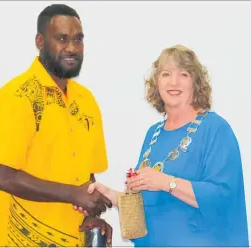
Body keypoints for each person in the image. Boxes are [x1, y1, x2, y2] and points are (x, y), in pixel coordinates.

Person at [81, 45, 249, 246]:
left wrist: (166, 182)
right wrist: (112, 196)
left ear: (196, 83)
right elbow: (144, 206)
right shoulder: (153, 134)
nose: (174, 82)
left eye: (183, 74)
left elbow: (224, 198)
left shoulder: (215, 129)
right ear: (156, 82)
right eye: (166, 74)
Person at [0, 4, 113, 247]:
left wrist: (91, 216)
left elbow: (86, 177)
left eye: (78, 39)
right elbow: (4, 178)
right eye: (62, 39)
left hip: (74, 239)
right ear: (40, 41)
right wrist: (72, 194)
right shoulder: (17, 96)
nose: (72, 48)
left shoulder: (86, 100)